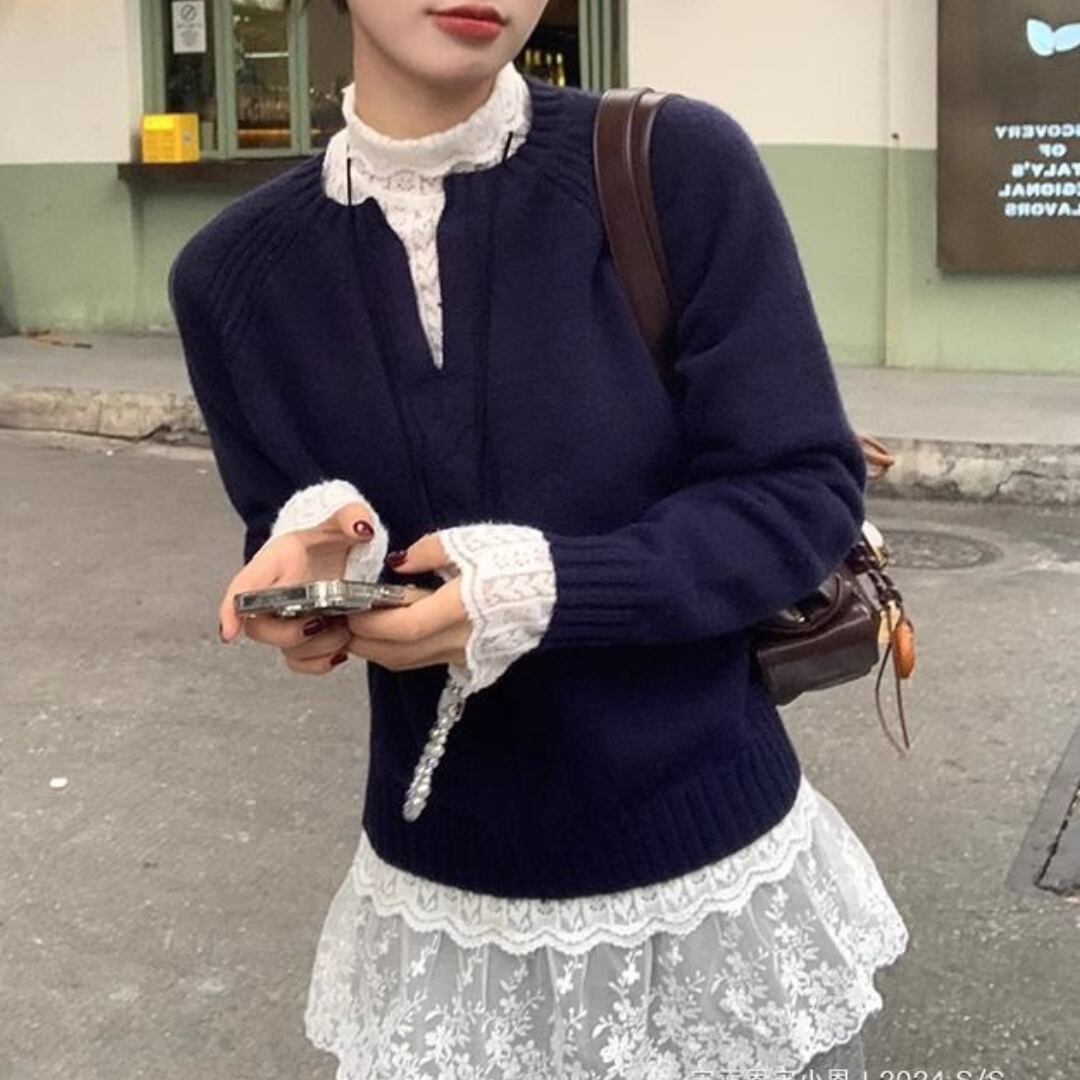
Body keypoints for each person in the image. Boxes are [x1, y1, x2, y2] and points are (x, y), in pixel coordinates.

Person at [168, 1, 911, 1075]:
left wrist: (549, 588)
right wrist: (321, 567)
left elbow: (798, 489)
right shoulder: (232, 277)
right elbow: (283, 523)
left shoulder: (671, 166)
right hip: (443, 920)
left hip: (712, 894)